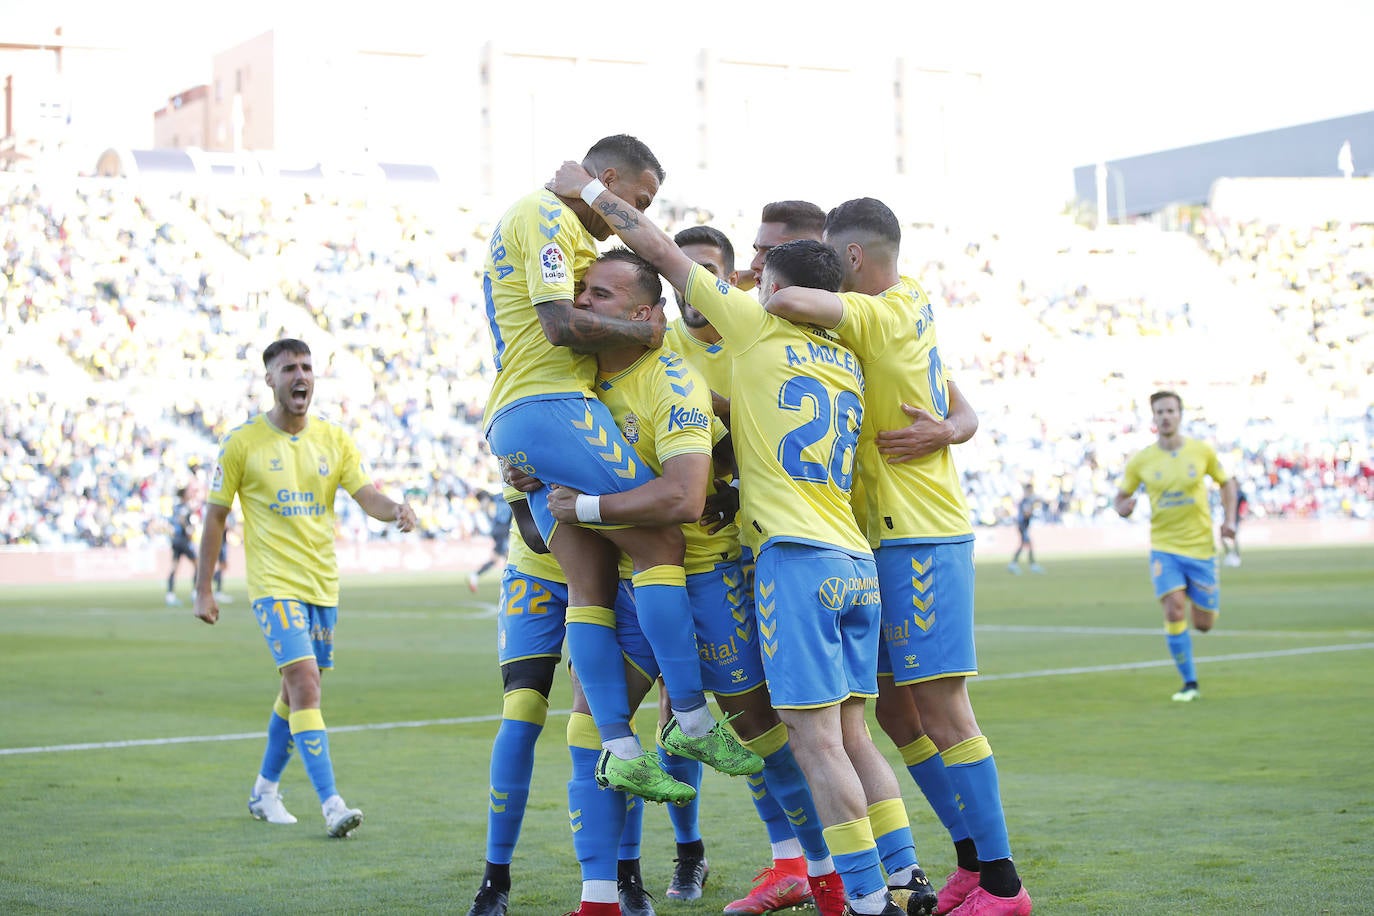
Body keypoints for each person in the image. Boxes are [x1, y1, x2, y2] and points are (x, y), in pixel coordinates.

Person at [555, 161, 931, 916]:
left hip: (793, 560)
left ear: (774, 289)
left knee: (815, 742)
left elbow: (659, 252)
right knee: (856, 738)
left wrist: (590, 194)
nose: (751, 281)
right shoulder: (846, 360)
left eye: (760, 276)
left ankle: (863, 900)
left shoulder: (756, 325)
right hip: (855, 559)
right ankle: (903, 876)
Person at [544, 247, 843, 915]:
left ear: (645, 315)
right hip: (629, 584)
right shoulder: (570, 382)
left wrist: (583, 507)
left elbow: (682, 500)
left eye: (602, 294)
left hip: (707, 581)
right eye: (583, 291)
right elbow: (544, 517)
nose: (584, 302)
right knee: (593, 730)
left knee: (764, 735)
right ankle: (600, 898)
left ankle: (821, 877)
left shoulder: (671, 382)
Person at [765, 197, 1031, 916]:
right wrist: (952, 426)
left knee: (945, 712)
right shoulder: (907, 304)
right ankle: (971, 864)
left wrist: (764, 283)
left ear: (851, 260)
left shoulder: (877, 315)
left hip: (918, 533)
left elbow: (786, 296)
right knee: (895, 713)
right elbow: (961, 405)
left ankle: (1004, 886)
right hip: (874, 541)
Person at [483, 135, 754, 801]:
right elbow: (555, 324)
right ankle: (690, 718)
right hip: (551, 407)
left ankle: (621, 748)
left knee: (593, 578)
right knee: (661, 537)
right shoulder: (546, 217)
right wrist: (645, 331)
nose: (631, 215)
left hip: (527, 413)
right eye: (638, 200)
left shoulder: (559, 229)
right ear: (604, 177)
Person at [193, 338, 417, 838]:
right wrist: (203, 588)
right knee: (307, 685)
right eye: (289, 368)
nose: (300, 376)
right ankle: (332, 803)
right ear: (269, 380)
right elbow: (214, 516)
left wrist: (396, 509)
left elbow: (367, 497)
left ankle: (264, 791)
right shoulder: (242, 442)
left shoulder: (333, 440)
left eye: (307, 368)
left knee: (295, 692)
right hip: (274, 586)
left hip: (322, 585)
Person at [465, 489, 666, 916]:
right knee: (521, 713)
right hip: (536, 572)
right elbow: (537, 535)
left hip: (605, 573)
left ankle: (625, 876)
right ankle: (494, 880)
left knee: (610, 718)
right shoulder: (511, 422)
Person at [1114, 390, 1238, 703]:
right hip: (1164, 548)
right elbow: (1120, 497)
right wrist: (1123, 508)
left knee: (1204, 624)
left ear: (1180, 415)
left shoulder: (1201, 451)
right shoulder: (1141, 460)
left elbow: (1227, 482)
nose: (1165, 416)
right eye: (1159, 412)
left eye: (1170, 410)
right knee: (1173, 607)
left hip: (1201, 548)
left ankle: (1202, 617)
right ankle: (1189, 683)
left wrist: (1230, 520)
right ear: (1153, 418)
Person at [469, 491, 513, 593]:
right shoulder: (502, 495)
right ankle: (507, 583)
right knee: (507, 557)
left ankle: (476, 575)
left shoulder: (496, 498)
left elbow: (486, 507)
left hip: (499, 530)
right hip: (502, 530)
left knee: (502, 558)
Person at [165, 485, 198, 606]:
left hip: (175, 540)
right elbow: (182, 519)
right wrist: (188, 530)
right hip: (183, 540)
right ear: (184, 495)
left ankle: (170, 595)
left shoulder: (176, 507)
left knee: (174, 567)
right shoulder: (184, 507)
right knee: (197, 564)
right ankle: (195, 593)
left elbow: (171, 523)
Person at [1007, 484, 1045, 575]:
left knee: (1023, 544)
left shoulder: (1027, 500)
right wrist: (1033, 513)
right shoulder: (1026, 501)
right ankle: (1031, 565)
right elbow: (1026, 513)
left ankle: (1014, 564)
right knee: (1028, 544)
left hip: (1023, 525)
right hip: (1022, 525)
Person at [1222, 484, 1248, 567]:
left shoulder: (1240, 494)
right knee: (1223, 539)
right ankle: (1229, 554)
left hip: (1235, 519)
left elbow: (1244, 503)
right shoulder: (1225, 493)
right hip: (1226, 519)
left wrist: (1243, 513)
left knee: (1234, 538)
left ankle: (1237, 555)